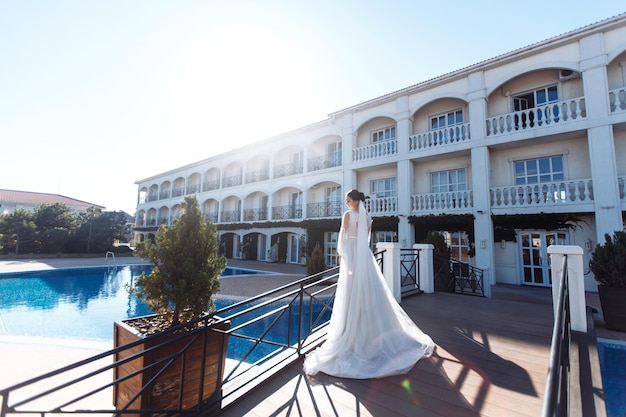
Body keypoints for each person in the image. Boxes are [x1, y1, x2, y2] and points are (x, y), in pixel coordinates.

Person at [303, 189, 434, 379]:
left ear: (355, 201)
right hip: (365, 259)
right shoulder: (368, 218)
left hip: (353, 259)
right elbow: (365, 241)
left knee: (350, 293)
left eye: (348, 200)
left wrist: (343, 260)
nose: (346, 203)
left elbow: (343, 241)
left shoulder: (348, 216)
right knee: (369, 292)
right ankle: (368, 332)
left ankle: (352, 332)